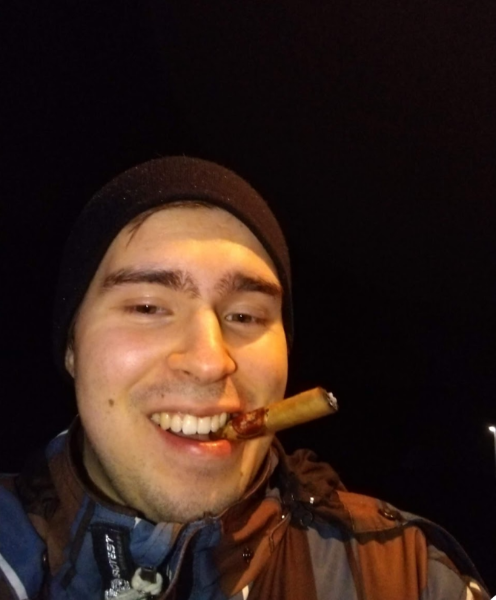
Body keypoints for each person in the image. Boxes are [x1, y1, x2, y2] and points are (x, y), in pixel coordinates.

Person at [0, 157, 489, 599]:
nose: (210, 361)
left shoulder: (405, 576)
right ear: (71, 346)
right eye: (147, 307)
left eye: (245, 316)